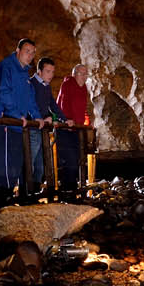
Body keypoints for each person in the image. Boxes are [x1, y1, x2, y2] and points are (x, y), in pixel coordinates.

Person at [0, 37, 42, 199]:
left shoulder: (25, 72)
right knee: (5, 161)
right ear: (18, 51)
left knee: (15, 161)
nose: (30, 56)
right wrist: (15, 114)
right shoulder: (7, 66)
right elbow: (3, 91)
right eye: (27, 51)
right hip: (6, 120)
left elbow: (30, 98)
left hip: (18, 123)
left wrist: (37, 117)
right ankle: (1, 196)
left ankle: (7, 196)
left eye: (33, 53)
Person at [30, 56, 68, 195]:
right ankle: (26, 190)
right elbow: (29, 104)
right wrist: (41, 118)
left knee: (40, 162)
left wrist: (63, 119)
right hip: (32, 127)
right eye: (48, 71)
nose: (51, 75)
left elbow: (52, 104)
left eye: (52, 72)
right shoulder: (31, 84)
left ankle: (35, 190)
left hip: (43, 128)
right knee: (30, 159)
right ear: (39, 71)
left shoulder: (46, 85)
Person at [54, 61, 92, 196]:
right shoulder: (68, 85)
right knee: (68, 159)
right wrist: (67, 119)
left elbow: (82, 108)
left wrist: (86, 121)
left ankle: (71, 186)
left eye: (86, 74)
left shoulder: (83, 88)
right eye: (81, 74)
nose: (84, 76)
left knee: (76, 158)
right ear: (74, 74)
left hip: (76, 129)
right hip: (65, 129)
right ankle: (67, 189)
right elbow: (63, 104)